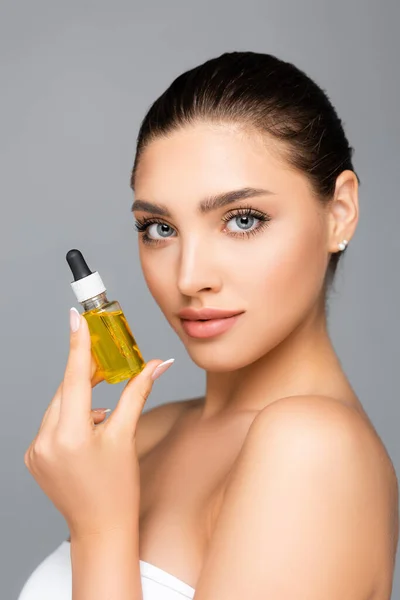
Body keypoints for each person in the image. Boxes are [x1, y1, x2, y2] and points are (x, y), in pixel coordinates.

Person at [18, 51, 398, 600]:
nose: (190, 276)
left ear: (339, 212)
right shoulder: (148, 434)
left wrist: (99, 530)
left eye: (243, 220)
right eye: (158, 228)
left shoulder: (314, 450)